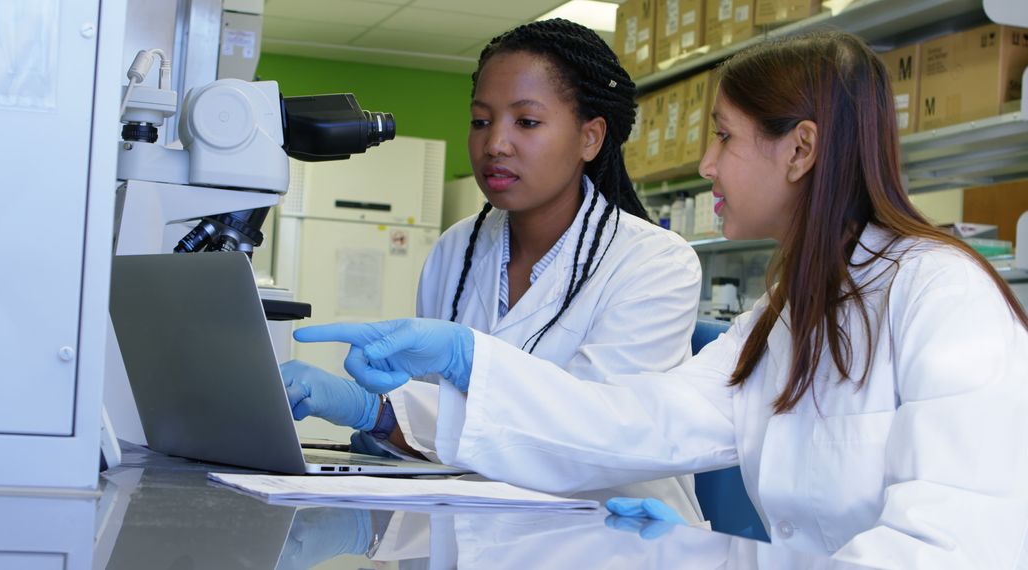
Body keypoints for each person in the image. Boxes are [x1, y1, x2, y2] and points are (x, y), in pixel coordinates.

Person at [291, 31, 1028, 568]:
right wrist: (701, 551)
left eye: (724, 139)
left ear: (800, 151)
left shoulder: (940, 293)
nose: (706, 165)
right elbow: (640, 421)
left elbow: (955, 546)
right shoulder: (783, 321)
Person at [280, 19, 704, 520]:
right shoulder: (454, 250)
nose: (495, 143)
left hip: (609, 536)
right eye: (481, 121)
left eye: (526, 122)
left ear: (590, 137)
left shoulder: (654, 262)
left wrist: (389, 407)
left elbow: (592, 437)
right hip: (473, 528)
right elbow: (447, 436)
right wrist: (376, 421)